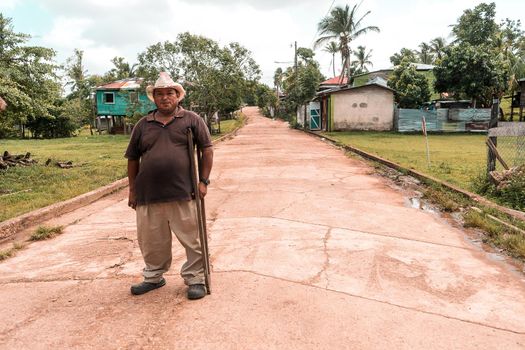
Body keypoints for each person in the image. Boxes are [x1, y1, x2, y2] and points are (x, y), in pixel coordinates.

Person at [125, 72, 213, 300]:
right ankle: (154, 277)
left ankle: (196, 278)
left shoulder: (191, 120)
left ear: (178, 96)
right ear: (153, 97)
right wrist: (133, 190)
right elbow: (133, 158)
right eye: (160, 94)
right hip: (148, 194)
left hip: (184, 192)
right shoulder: (143, 125)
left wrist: (203, 181)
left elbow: (207, 149)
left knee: (192, 239)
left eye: (169, 93)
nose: (165, 98)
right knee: (152, 240)